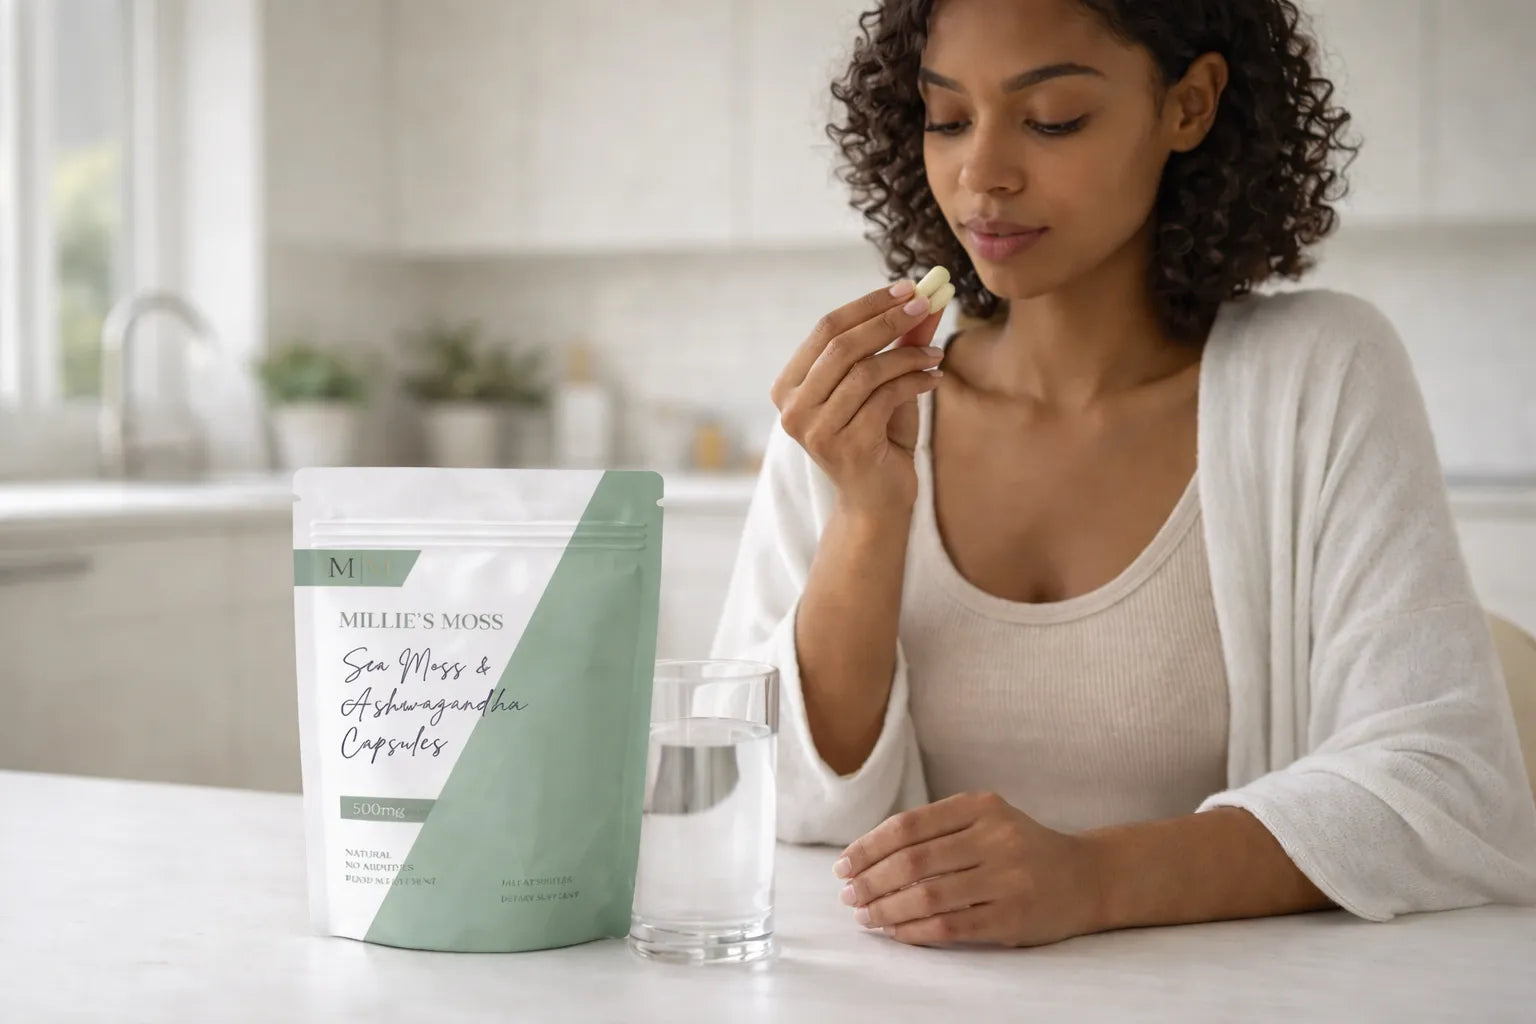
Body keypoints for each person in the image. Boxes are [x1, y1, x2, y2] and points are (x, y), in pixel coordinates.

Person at [711, 0, 1536, 949]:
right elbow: (762, 800)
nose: (983, 173)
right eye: (946, 119)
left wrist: (1094, 878)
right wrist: (866, 518)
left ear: (1188, 107)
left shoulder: (1321, 375)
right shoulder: (862, 413)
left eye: (1053, 116)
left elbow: (1448, 783)